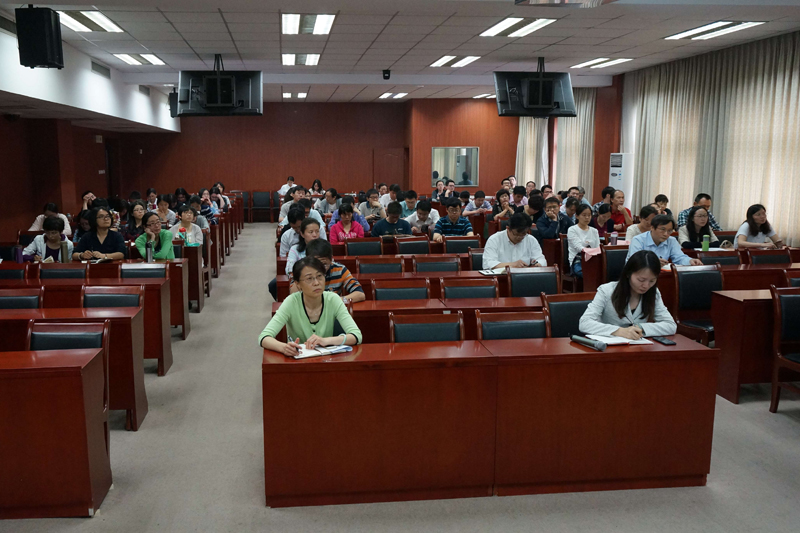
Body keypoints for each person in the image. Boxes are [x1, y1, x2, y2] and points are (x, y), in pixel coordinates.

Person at [259, 257, 362, 355]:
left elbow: (356, 335)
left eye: (319, 276)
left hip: (326, 360)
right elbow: (264, 337)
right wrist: (284, 348)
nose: (316, 283)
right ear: (298, 284)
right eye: (309, 279)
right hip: (298, 360)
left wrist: (326, 340)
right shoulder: (291, 302)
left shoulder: (333, 299)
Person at [579, 250, 677, 339]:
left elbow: (670, 325)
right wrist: (619, 331)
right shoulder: (606, 291)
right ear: (628, 273)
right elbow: (584, 323)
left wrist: (639, 327)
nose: (646, 286)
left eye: (652, 281)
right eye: (641, 280)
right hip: (608, 347)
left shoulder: (654, 292)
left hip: (638, 347)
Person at [304, 239, 366, 303]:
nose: (320, 268)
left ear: (331, 259)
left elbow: (360, 294)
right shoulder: (302, 271)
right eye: (316, 264)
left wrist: (337, 300)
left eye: (324, 264)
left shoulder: (339, 270)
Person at [626, 215, 703, 266]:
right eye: (662, 229)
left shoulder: (671, 241)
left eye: (669, 231)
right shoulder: (638, 240)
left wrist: (690, 261)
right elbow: (634, 262)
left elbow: (679, 257)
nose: (666, 234)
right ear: (652, 228)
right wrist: (652, 262)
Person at [567, 204, 600, 278]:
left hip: (592, 261)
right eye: (584, 215)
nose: (587, 217)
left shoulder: (594, 231)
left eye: (589, 215)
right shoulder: (572, 229)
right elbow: (579, 248)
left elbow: (598, 248)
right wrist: (591, 251)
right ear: (577, 216)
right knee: (588, 274)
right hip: (578, 261)